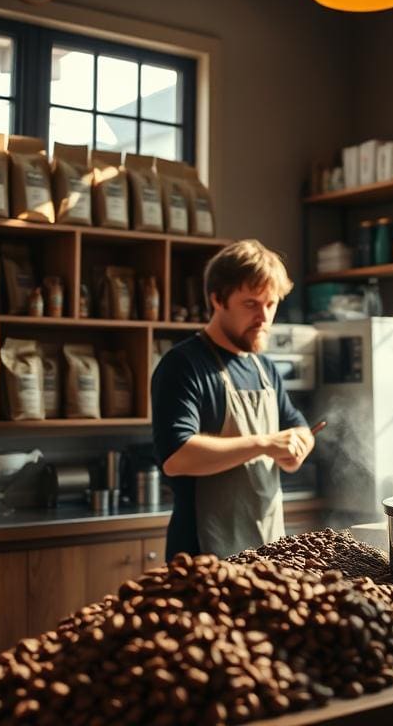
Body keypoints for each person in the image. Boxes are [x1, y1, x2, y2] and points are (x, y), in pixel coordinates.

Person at [152, 239, 314, 560]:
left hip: (267, 551)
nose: (264, 317)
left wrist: (300, 444)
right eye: (251, 304)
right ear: (217, 299)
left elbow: (298, 425)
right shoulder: (183, 364)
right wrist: (265, 444)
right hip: (203, 556)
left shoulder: (263, 367)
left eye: (271, 304)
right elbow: (176, 456)